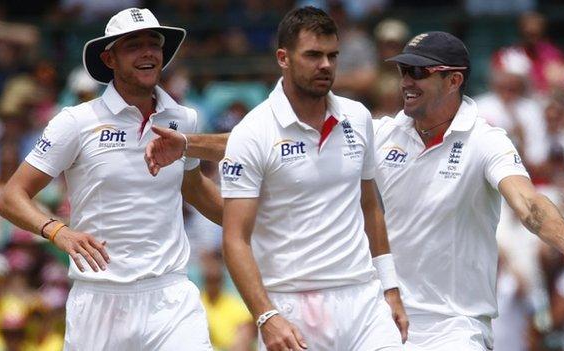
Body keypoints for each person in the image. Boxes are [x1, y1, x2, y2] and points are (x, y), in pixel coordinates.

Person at [145, 6, 408, 351]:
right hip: (292, 306)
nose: (325, 65)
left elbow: (370, 207)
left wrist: (390, 288)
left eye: (332, 55)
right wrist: (266, 316)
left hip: (364, 300)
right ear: (283, 58)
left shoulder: (357, 118)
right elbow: (235, 239)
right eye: (313, 55)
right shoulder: (253, 132)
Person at [0, 8, 221, 350]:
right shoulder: (76, 121)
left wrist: (256, 223)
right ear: (109, 58)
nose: (147, 52)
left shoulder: (183, 117)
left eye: (153, 44)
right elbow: (11, 197)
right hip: (99, 299)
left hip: (171, 296)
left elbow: (193, 188)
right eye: (134, 45)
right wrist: (58, 231)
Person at [373, 31, 564, 350]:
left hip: (457, 326)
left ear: (453, 81)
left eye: (419, 72)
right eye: (403, 71)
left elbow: (527, 201)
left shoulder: (486, 140)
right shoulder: (381, 134)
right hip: (386, 320)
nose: (407, 81)